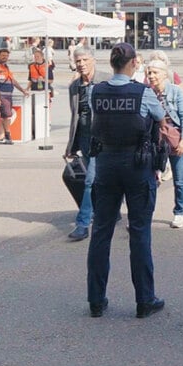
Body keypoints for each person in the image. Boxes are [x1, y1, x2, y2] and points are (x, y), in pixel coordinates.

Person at [86, 43, 168, 319]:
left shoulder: (95, 90)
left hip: (106, 164)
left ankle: (96, 300)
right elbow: (159, 117)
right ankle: (145, 300)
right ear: (133, 63)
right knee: (140, 232)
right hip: (137, 165)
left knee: (101, 232)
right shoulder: (143, 93)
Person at [65, 47, 106, 241]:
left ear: (93, 60)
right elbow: (75, 117)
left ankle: (83, 223)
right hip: (83, 139)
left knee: (90, 180)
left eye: (84, 60)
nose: (81, 64)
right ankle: (109, 210)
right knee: (96, 179)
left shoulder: (106, 81)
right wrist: (71, 146)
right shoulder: (74, 86)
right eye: (78, 61)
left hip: (103, 139)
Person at [146, 58, 183, 228]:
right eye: (149, 73)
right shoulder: (147, 92)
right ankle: (146, 213)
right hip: (154, 142)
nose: (151, 76)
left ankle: (179, 212)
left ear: (165, 74)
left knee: (179, 180)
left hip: (175, 140)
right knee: (149, 179)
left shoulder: (176, 92)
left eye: (155, 72)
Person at [0, 48, 29, 145]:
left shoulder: (5, 67)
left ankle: (1, 137)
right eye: (3, 55)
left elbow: (13, 81)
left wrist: (23, 90)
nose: (5, 57)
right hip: (1, 95)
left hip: (8, 95)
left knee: (4, 116)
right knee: (7, 116)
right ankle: (8, 136)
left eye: (6, 56)